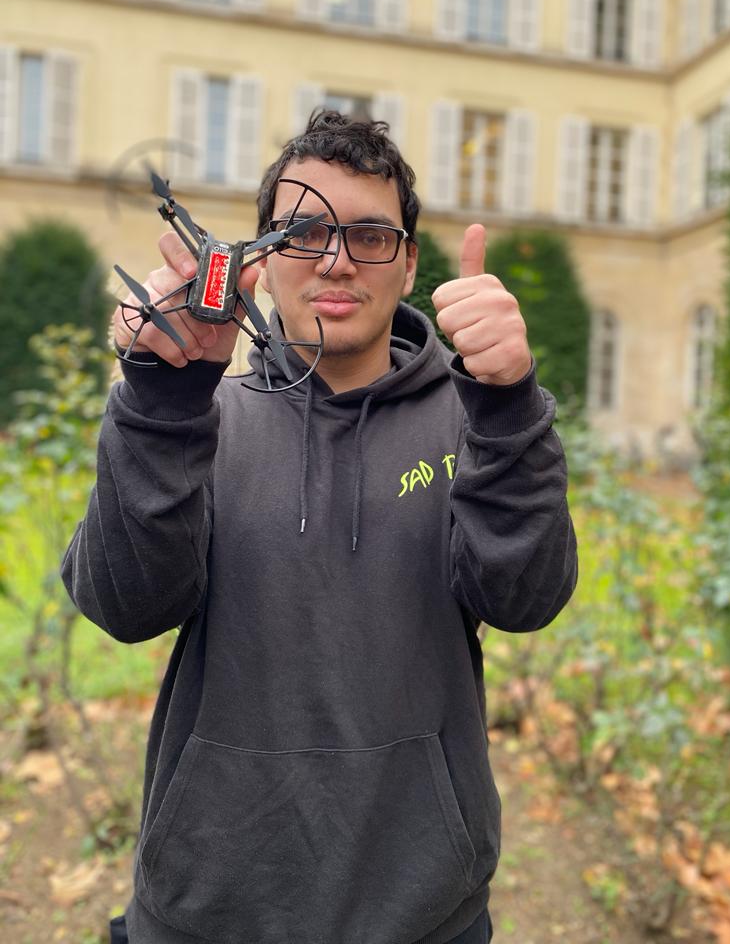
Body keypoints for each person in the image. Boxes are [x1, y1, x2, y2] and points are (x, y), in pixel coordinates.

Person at [62, 110, 578, 944]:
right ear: (261, 263)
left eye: (371, 236)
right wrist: (159, 399)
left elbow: (526, 599)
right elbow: (125, 607)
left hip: (423, 912)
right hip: (206, 907)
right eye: (302, 234)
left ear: (409, 264)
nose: (336, 260)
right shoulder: (197, 416)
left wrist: (510, 404)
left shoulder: (474, 421)